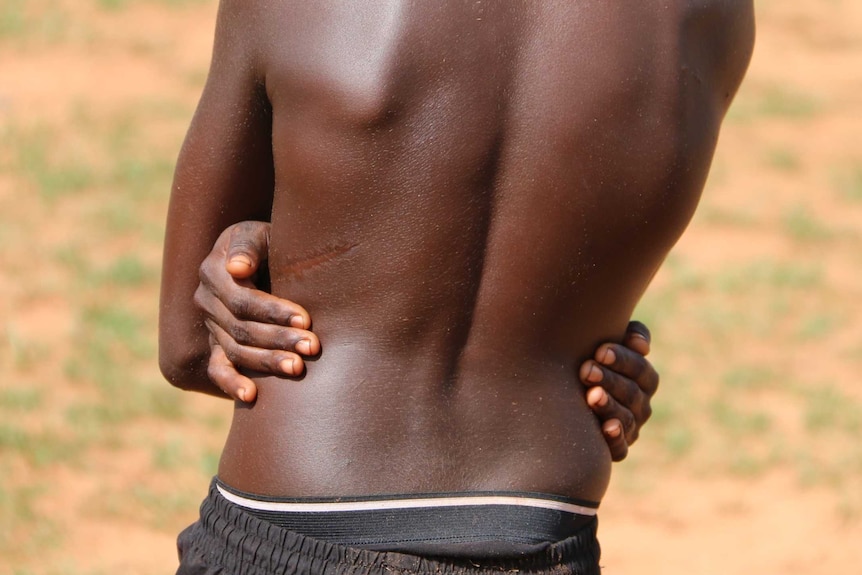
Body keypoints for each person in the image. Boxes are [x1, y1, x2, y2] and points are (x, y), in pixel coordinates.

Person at [159, 1, 754, 573]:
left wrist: (277, 255)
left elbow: (189, 350)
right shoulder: (710, 13)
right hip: (543, 533)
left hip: (292, 525)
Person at [193, 220, 659, 462]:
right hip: (540, 515)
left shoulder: (293, 31)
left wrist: (278, 253)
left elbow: (185, 349)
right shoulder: (694, 37)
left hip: (301, 505)